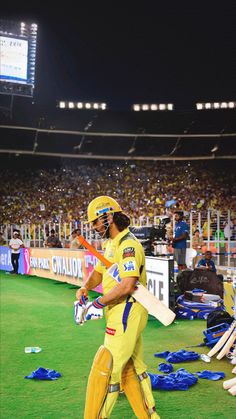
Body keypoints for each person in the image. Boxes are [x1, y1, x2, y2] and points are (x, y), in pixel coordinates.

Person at [76, 196, 159, 418]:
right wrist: (86, 287)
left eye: (96, 222)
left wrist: (98, 302)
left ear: (108, 217)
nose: (94, 227)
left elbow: (128, 284)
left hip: (126, 310)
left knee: (108, 368)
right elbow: (100, 273)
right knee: (133, 368)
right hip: (120, 311)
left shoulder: (128, 245)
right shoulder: (111, 244)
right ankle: (149, 415)